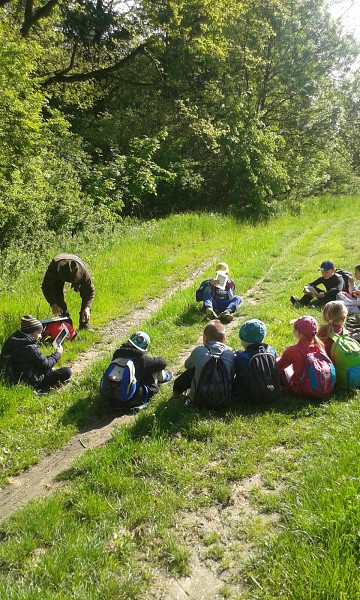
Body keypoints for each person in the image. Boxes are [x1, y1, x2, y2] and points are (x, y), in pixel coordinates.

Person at [0, 315, 71, 393]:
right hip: (32, 382)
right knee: (67, 371)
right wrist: (58, 353)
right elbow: (45, 365)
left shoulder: (14, 340)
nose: (40, 336)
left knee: (49, 367)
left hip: (13, 378)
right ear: (31, 332)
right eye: (39, 333)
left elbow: (36, 360)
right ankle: (46, 386)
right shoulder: (30, 347)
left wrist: (50, 357)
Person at [172, 319, 235, 406]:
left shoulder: (199, 350)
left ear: (205, 337)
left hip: (198, 401)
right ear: (224, 339)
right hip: (224, 400)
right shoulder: (230, 352)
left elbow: (187, 365)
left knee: (192, 371)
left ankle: (178, 393)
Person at [109, 331, 173, 410]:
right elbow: (162, 363)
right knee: (155, 368)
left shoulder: (117, 353)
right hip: (132, 400)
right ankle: (164, 378)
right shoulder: (142, 360)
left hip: (112, 397)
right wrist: (151, 358)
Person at [277, 315, 335, 398]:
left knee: (283, 367)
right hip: (326, 387)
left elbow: (278, 367)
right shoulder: (320, 346)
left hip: (302, 390)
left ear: (298, 332)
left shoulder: (293, 350)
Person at [42, 253, 95, 330]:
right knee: (57, 296)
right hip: (58, 274)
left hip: (76, 264)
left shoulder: (82, 270)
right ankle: (67, 325)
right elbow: (46, 287)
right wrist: (53, 304)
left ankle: (84, 323)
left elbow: (90, 290)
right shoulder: (53, 269)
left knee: (85, 291)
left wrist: (87, 307)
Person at [233, 319, 278, 402]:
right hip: (272, 391)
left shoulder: (241, 357)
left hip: (249, 395)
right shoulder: (271, 351)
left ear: (243, 339)